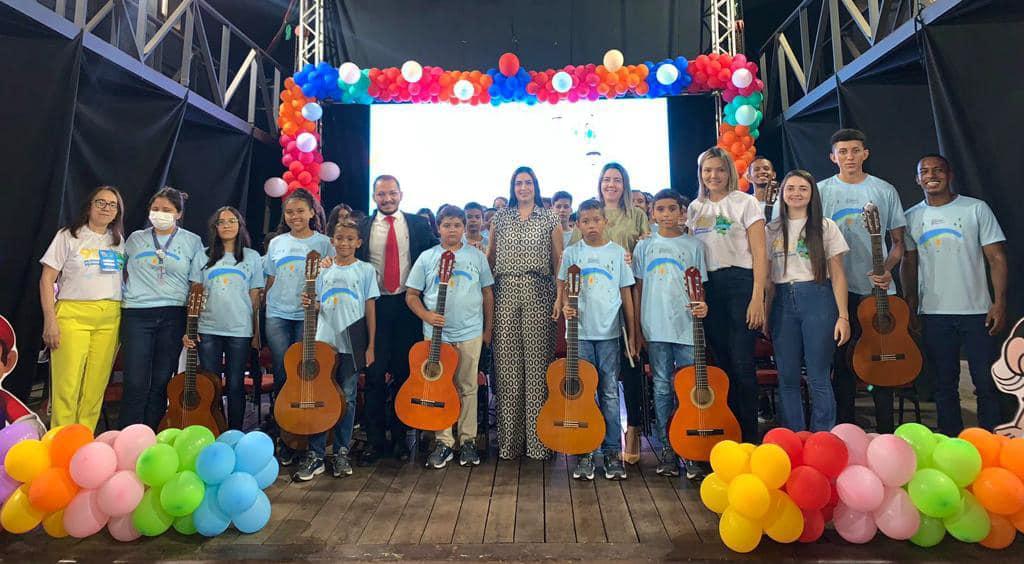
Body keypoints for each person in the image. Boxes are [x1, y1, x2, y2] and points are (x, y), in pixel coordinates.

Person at [901, 155, 1008, 436]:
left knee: (985, 382)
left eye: (937, 170)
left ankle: (990, 440)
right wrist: (911, 304)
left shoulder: (975, 209)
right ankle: (951, 441)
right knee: (943, 385)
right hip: (934, 313)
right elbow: (908, 263)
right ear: (917, 179)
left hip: (977, 311)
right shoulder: (911, 216)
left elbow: (996, 258)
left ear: (949, 175)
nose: (931, 175)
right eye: (924, 171)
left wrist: (999, 302)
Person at [818, 129, 905, 433]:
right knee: (842, 364)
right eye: (842, 152)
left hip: (878, 291)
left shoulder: (884, 190)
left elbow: (897, 243)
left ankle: (886, 432)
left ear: (865, 154)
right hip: (838, 292)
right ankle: (845, 430)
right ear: (833, 157)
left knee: (882, 362)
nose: (849, 157)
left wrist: (888, 268)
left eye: (855, 151)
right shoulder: (820, 191)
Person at [570, 163, 650, 463]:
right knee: (592, 382)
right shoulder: (585, 223)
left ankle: (629, 433)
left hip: (627, 292)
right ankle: (589, 443)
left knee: (625, 373)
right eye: (606, 180)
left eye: (617, 180)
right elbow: (571, 270)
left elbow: (645, 246)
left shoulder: (637, 214)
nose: (611, 184)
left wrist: (632, 256)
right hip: (590, 304)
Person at [687, 147, 767, 443]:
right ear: (701, 174)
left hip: (741, 283)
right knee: (720, 364)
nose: (713, 176)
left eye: (719, 170)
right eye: (708, 170)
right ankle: (727, 434)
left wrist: (758, 295)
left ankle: (749, 438)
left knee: (742, 362)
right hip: (708, 288)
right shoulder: (695, 208)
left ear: (729, 172)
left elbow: (760, 252)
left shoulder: (745, 203)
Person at [356, 175, 438, 464]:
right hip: (374, 307)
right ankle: (375, 442)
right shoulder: (362, 226)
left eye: (392, 193)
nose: (387, 199)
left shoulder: (418, 224)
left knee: (405, 375)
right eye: (381, 194)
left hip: (408, 306)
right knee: (375, 375)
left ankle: (402, 439)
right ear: (374, 197)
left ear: (401, 194)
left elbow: (437, 254)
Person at [407, 205, 494, 468]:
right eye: (447, 225)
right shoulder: (427, 257)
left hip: (469, 332)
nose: (453, 230)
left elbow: (488, 293)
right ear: (438, 228)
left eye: (458, 225)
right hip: (436, 336)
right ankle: (444, 441)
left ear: (464, 227)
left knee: (468, 387)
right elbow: (411, 295)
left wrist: (487, 329)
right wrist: (427, 316)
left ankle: (468, 440)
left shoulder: (476, 256)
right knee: (439, 388)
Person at [293, 217, 378, 480]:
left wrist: (371, 344)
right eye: (340, 239)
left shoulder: (365, 270)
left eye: (350, 239)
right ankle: (317, 453)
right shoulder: (322, 268)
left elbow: (369, 308)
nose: (344, 243)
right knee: (321, 395)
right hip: (324, 340)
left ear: (359, 242)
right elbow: (317, 304)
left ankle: (341, 450)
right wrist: (309, 302)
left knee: (348, 397)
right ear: (332, 241)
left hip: (352, 342)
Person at [766, 171, 851, 433]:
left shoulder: (825, 227)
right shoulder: (771, 230)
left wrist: (843, 316)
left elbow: (837, 275)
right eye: (790, 188)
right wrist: (766, 312)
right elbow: (769, 280)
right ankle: (795, 435)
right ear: (781, 193)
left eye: (803, 188)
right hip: (782, 302)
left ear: (812, 193)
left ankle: (822, 435)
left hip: (818, 299)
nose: (796, 193)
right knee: (788, 377)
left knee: (818, 376)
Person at [487, 166, 563, 460]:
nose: (523, 188)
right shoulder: (501, 218)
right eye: (518, 183)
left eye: (528, 182)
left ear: (535, 186)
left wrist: (559, 296)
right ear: (512, 187)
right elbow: (491, 258)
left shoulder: (550, 218)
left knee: (537, 370)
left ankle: (538, 442)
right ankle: (509, 443)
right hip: (505, 293)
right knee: (507, 371)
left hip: (539, 293)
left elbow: (559, 259)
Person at [632, 189, 709, 479]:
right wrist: (638, 327)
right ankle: (667, 448)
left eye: (671, 209)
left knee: (689, 389)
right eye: (660, 209)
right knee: (662, 388)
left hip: (687, 327)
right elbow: (637, 289)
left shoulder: (695, 246)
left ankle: (689, 448)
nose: (666, 215)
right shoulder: (644, 247)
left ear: (681, 212)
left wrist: (703, 306)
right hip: (655, 326)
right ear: (652, 213)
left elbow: (702, 288)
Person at [558, 199, 636, 480]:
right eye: (585, 221)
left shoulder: (617, 253)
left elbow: (626, 294)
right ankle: (586, 451)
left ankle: (613, 452)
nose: (591, 226)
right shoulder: (571, 253)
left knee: (609, 392)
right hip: (579, 335)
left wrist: (633, 332)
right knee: (583, 393)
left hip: (609, 334)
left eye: (596, 220)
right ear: (577, 224)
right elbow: (564, 287)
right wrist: (566, 305)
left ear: (606, 221)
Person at [119, 187, 206, 429]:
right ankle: (127, 436)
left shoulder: (192, 241)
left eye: (167, 210)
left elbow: (196, 283)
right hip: (136, 313)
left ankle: (151, 435)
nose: (160, 213)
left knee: (160, 382)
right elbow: (119, 271)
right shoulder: (136, 238)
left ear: (178, 214)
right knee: (135, 382)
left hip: (173, 315)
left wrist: (191, 322)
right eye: (155, 209)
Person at [39, 186, 126, 430]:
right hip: (72, 316)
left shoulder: (118, 241)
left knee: (95, 387)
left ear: (117, 212)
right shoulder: (68, 236)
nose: (106, 208)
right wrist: (50, 321)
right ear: (89, 205)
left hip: (109, 318)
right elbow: (47, 279)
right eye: (101, 202)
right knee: (67, 385)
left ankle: (84, 441)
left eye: (112, 204)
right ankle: (60, 441)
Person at [263, 188, 333, 462]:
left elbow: (332, 279)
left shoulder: (325, 243)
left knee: (307, 374)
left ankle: (311, 438)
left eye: (300, 211)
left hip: (309, 317)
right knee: (283, 376)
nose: (295, 216)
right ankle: (288, 440)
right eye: (289, 212)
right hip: (278, 315)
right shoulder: (277, 242)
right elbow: (269, 279)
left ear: (312, 213)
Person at [183, 207, 264, 431]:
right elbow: (194, 293)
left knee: (236, 383)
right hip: (208, 328)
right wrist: (190, 328)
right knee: (212, 384)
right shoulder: (203, 255)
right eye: (221, 222)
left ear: (240, 225)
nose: (226, 225)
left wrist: (256, 333)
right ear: (215, 228)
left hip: (240, 329)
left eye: (231, 221)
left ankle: (235, 432)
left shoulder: (252, 257)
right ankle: (214, 428)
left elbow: (255, 298)